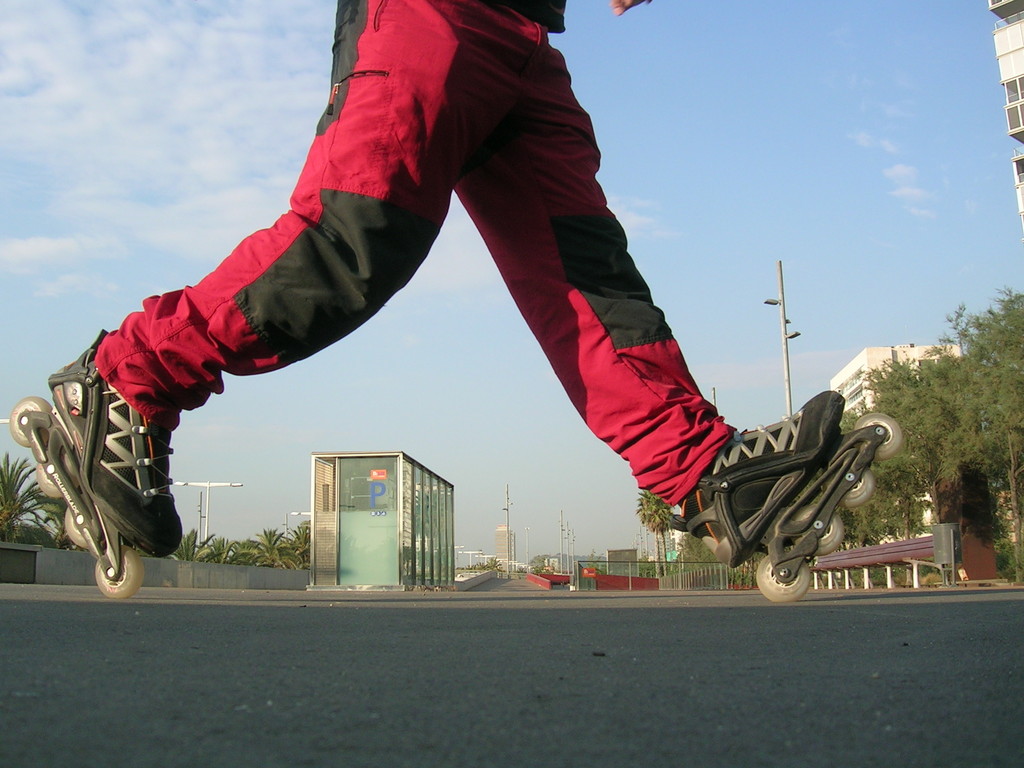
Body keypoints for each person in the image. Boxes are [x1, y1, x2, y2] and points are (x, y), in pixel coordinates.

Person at [24, 0, 881, 591]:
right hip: (429, 14)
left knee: (590, 278)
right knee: (357, 232)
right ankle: (123, 381)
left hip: (524, 40)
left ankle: (706, 474)